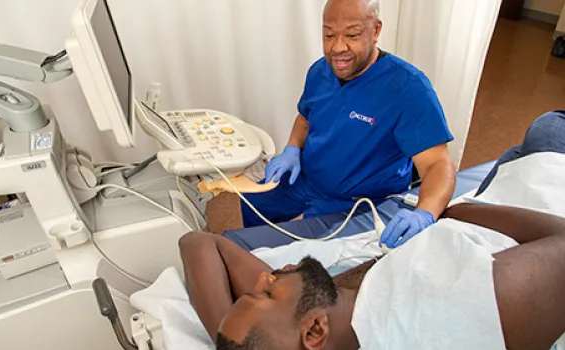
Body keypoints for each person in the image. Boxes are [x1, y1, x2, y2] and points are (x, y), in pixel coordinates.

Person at [180, 202, 565, 350]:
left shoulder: (334, 312)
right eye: (266, 294)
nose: (264, 278)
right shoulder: (474, 299)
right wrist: (450, 212)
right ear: (314, 331)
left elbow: (198, 243)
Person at [242, 0, 456, 249]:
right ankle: (255, 253)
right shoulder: (320, 72)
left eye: (352, 35)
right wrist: (292, 149)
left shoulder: (408, 88)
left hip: (358, 202)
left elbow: (438, 164)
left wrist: (425, 213)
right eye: (329, 35)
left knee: (306, 257)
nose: (338, 47)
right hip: (307, 179)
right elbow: (305, 118)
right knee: (252, 202)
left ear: (375, 31)